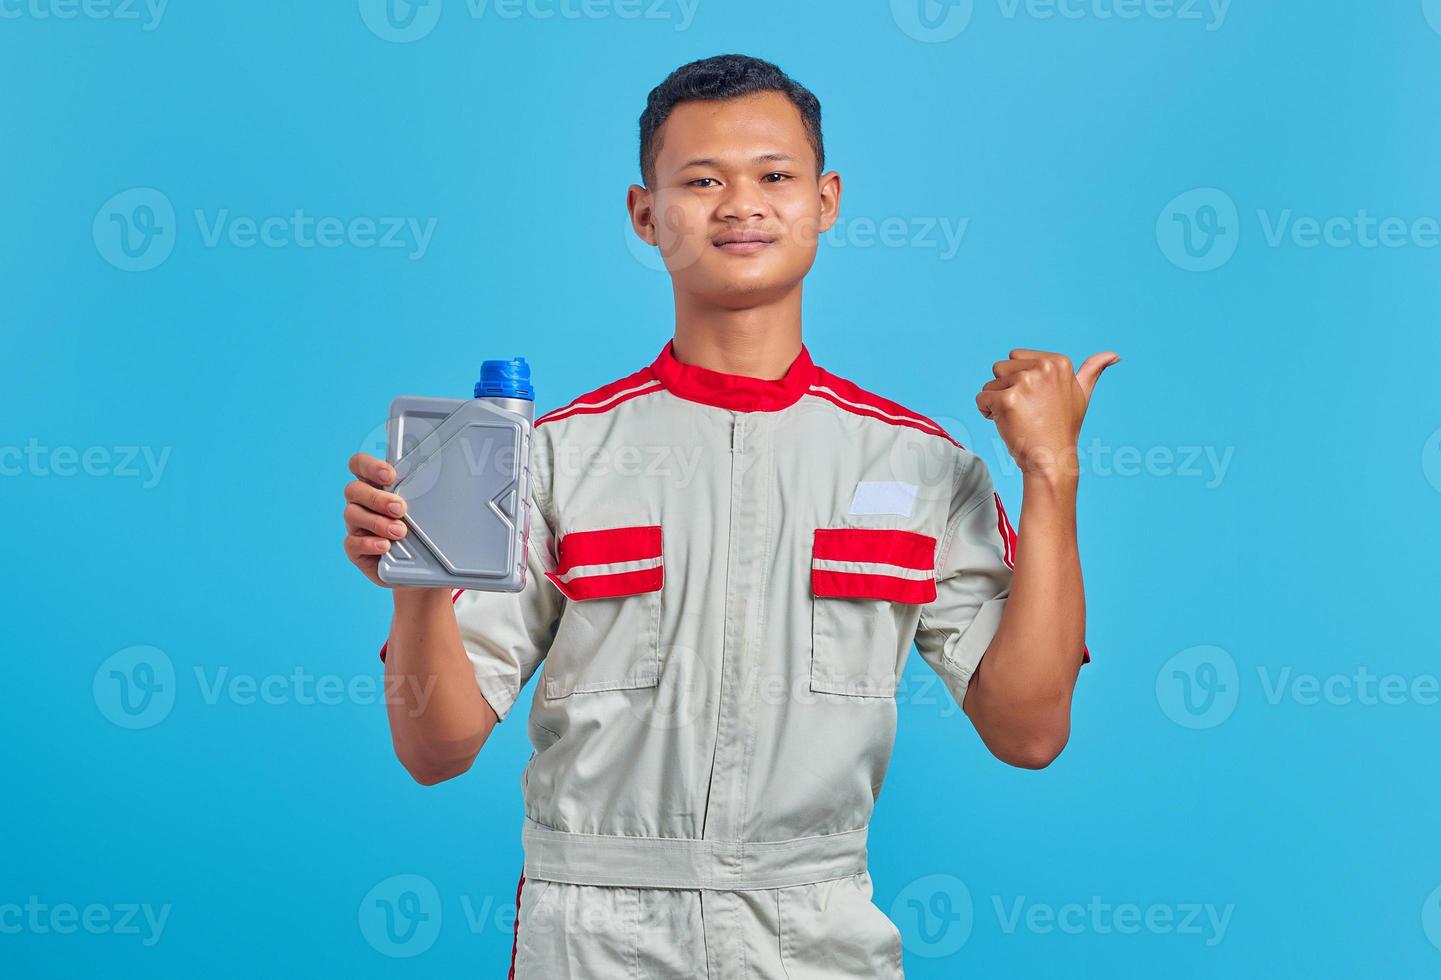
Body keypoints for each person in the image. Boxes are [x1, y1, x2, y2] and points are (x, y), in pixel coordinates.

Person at [342, 54, 1114, 979]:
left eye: (775, 177)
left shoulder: (920, 464)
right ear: (645, 213)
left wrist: (1051, 472)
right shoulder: (553, 457)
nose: (741, 204)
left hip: (817, 932)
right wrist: (420, 582)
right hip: (592, 936)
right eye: (701, 180)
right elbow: (437, 750)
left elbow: (1028, 732)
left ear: (826, 199)